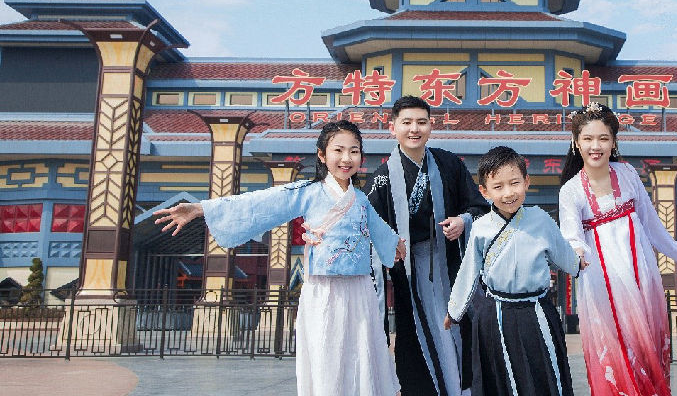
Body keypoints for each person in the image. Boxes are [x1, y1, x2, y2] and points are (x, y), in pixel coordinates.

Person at [154, 120, 406, 396]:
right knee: (327, 355)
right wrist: (201, 208)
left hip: (359, 289)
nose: (346, 158)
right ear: (322, 155)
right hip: (324, 290)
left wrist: (396, 245)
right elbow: (260, 202)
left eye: (354, 151)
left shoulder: (361, 200)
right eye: (338, 150)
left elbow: (383, 234)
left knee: (362, 351)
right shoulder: (307, 192)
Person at [558, 103, 677, 396]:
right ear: (576, 143)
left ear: (613, 142)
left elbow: (649, 222)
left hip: (642, 274)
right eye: (588, 139)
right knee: (616, 350)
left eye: (603, 138)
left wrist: (676, 249)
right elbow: (572, 237)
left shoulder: (627, 173)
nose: (596, 146)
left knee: (645, 346)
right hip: (603, 282)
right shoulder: (571, 190)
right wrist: (577, 255)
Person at [365, 96, 490, 396]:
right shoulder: (381, 178)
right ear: (392, 127)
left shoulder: (449, 163)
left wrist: (462, 221)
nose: (414, 129)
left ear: (431, 126)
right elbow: (368, 228)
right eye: (406, 122)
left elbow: (479, 207)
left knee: (459, 329)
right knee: (417, 338)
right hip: (408, 272)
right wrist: (389, 244)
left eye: (421, 122)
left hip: (450, 266)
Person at [443, 146, 586, 396]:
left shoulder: (541, 219)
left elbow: (563, 253)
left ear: (526, 182)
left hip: (537, 311)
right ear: (484, 192)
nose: (508, 193)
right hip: (496, 314)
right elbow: (468, 271)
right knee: (501, 381)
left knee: (544, 374)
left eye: (514, 183)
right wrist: (454, 311)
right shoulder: (481, 227)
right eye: (498, 187)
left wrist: (577, 263)